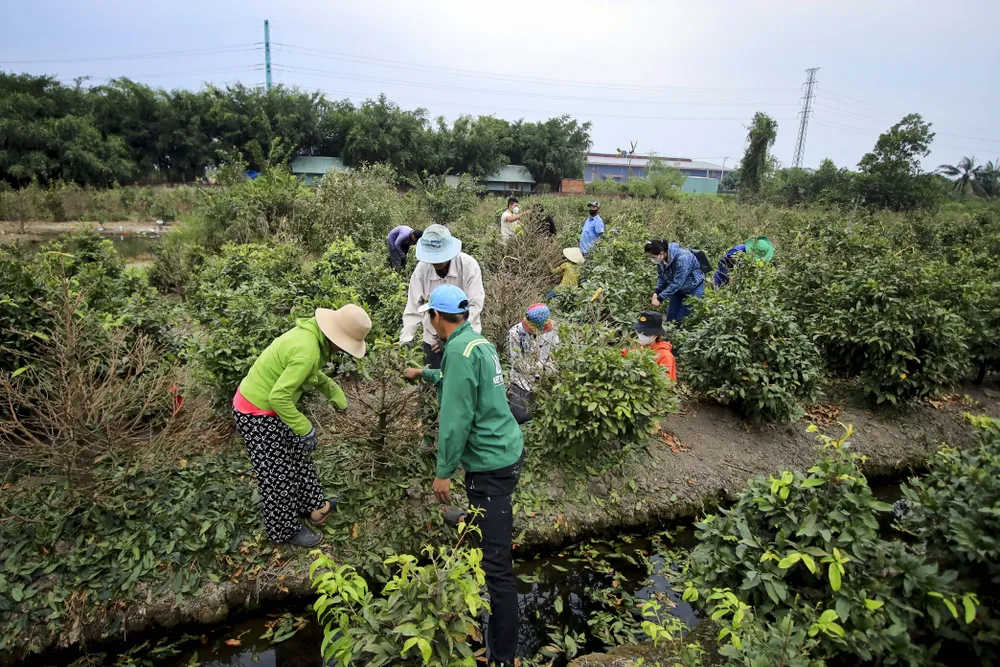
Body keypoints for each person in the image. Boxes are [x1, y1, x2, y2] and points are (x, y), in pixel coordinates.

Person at [403, 285, 524, 667]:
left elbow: (455, 420)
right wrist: (425, 373)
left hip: (490, 464)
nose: (430, 323)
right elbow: (465, 386)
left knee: (497, 568)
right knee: (487, 518)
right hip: (506, 450)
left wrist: (443, 473)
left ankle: (502, 656)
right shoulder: (478, 343)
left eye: (429, 317)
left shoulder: (456, 350)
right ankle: (476, 518)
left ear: (437, 317)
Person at [233, 306, 372, 547]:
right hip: (257, 412)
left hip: (276, 410)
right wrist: (304, 427)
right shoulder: (308, 349)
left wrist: (332, 390)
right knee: (277, 474)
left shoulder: (313, 338)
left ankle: (315, 507)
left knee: (299, 457)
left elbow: (309, 374)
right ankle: (284, 530)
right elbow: (278, 396)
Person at [400, 224, 485, 369]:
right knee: (435, 384)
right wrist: (407, 339)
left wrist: (451, 335)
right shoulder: (421, 271)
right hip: (433, 341)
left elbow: (474, 306)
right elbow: (414, 307)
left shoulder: (469, 266)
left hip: (465, 341)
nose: (437, 262)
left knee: (462, 385)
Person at [507, 303, 560, 424]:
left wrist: (548, 371)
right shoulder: (515, 333)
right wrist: (538, 370)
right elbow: (518, 363)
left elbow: (556, 355)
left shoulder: (554, 329)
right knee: (521, 417)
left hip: (549, 376)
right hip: (523, 380)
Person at [645, 239, 706, 326]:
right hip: (676, 289)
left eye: (653, 257)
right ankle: (670, 338)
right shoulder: (661, 260)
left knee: (682, 319)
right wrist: (657, 291)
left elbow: (678, 283)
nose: (652, 259)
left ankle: (680, 337)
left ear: (662, 252)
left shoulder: (683, 258)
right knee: (671, 317)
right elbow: (662, 277)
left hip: (693, 288)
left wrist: (660, 298)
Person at [622, 311, 677, 381]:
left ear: (656, 335)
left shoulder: (665, 356)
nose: (641, 335)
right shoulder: (637, 347)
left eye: (646, 334)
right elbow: (625, 355)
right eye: (640, 332)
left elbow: (666, 383)